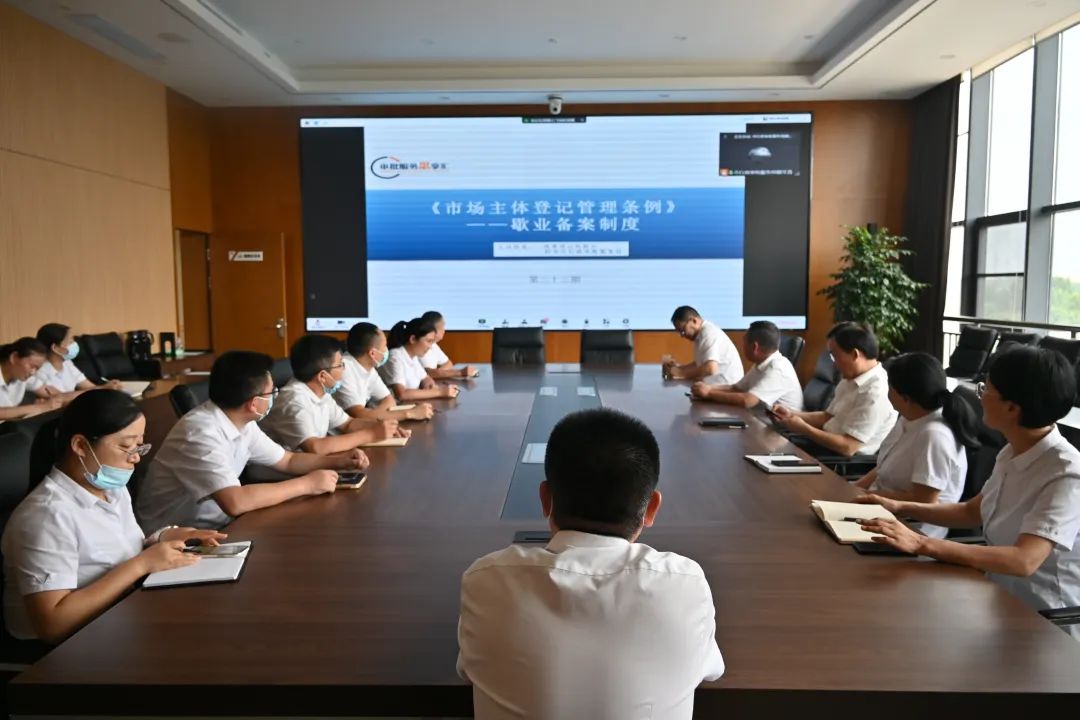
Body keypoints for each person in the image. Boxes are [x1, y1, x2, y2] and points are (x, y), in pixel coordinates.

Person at [457, 408, 724, 719]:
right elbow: (710, 670)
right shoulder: (685, 585)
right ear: (651, 508)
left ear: (545, 499)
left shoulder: (486, 580)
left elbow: (468, 670)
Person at [857, 346, 1080, 637]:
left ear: (1012, 408)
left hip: (1044, 622)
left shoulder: (1066, 473)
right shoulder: (1012, 451)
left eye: (986, 389)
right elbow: (972, 511)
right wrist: (898, 507)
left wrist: (921, 543)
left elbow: (1024, 560)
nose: (980, 395)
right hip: (995, 599)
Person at [2, 390, 225, 643]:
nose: (136, 457)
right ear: (80, 446)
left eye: (139, 445)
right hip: (65, 648)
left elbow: (114, 552)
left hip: (118, 614)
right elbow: (53, 625)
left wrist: (164, 537)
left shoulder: (112, 489)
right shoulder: (46, 516)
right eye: (126, 446)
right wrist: (141, 565)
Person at [135, 351, 369, 532]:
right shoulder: (199, 433)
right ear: (253, 403)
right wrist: (307, 485)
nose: (275, 396)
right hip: (174, 537)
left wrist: (340, 461)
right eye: (272, 393)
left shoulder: (242, 421)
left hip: (220, 525)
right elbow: (235, 502)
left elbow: (287, 460)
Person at [852, 352, 979, 538]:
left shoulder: (934, 435)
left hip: (910, 529)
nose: (887, 392)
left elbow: (924, 501)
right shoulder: (910, 417)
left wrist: (867, 497)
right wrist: (855, 488)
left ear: (905, 397)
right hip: (880, 511)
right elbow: (883, 467)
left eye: (890, 387)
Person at [260, 334, 408, 456]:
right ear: (322, 376)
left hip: (308, 465)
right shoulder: (293, 401)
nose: (344, 370)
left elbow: (348, 424)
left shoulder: (321, 392)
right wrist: (371, 434)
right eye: (340, 365)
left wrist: (381, 427)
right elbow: (315, 447)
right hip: (275, 475)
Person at [772, 322, 896, 456]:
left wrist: (804, 428)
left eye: (835, 356)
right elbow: (827, 417)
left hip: (837, 461)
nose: (834, 364)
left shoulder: (875, 393)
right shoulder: (851, 379)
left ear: (855, 354)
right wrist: (791, 414)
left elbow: (848, 447)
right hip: (820, 446)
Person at [690, 320, 803, 410]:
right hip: (763, 419)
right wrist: (708, 388)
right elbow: (735, 388)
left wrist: (709, 394)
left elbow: (747, 400)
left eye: (744, 342)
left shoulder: (777, 369)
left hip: (782, 429)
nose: (742, 346)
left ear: (755, 347)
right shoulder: (762, 363)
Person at [337, 322, 434, 422]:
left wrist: (375, 415)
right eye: (384, 346)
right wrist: (410, 413)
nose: (386, 350)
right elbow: (359, 415)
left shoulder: (369, 368)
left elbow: (389, 400)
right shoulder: (344, 368)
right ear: (372, 353)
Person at [380, 317, 460, 402]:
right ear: (413, 339)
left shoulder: (413, 356)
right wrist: (440, 392)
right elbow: (402, 394)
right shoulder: (394, 357)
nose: (430, 347)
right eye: (428, 341)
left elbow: (426, 378)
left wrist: (430, 385)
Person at [35, 323, 122, 397]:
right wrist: (103, 388)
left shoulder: (67, 363)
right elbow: (60, 397)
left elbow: (89, 387)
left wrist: (107, 387)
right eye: (70, 341)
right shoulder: (40, 370)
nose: (74, 344)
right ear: (55, 348)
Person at [663, 306, 743, 385]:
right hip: (720, 385)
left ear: (694, 321)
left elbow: (710, 369)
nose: (682, 335)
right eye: (679, 332)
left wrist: (681, 373)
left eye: (683, 330)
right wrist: (679, 368)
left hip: (728, 387)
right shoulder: (700, 334)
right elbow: (700, 364)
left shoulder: (708, 333)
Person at [0, 337, 63, 420]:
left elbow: (52, 393)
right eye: (32, 366)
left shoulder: (22, 375)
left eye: (37, 368)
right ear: (14, 357)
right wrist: (39, 407)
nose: (33, 372)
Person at [419, 311, 476, 379]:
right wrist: (460, 372)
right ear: (433, 329)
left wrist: (438, 373)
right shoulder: (420, 345)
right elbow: (427, 373)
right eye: (442, 327)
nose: (444, 330)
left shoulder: (433, 345)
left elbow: (448, 363)